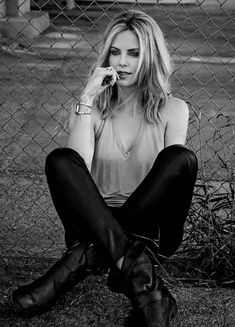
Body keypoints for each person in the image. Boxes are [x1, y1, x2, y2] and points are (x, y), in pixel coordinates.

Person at [12, 9, 198, 326]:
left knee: (180, 158)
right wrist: (86, 99)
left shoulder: (173, 109)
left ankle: (81, 261)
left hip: (151, 232)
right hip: (92, 220)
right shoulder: (92, 107)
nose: (122, 62)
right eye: (115, 51)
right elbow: (77, 171)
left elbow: (168, 184)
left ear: (150, 57)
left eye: (134, 53)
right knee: (60, 159)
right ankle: (142, 280)